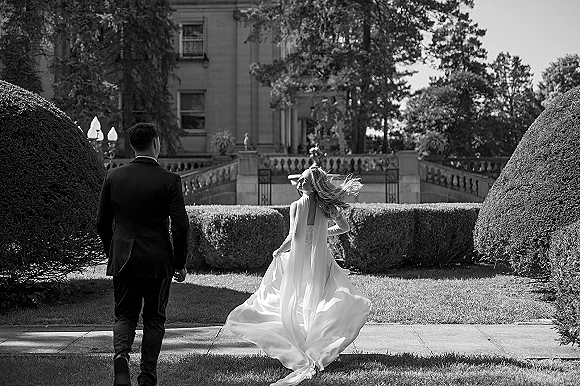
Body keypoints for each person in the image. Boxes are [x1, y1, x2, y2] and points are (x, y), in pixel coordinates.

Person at [226, 165, 371, 386]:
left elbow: (294, 236)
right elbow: (344, 227)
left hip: (301, 259)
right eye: (301, 180)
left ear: (314, 186)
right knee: (319, 298)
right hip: (320, 258)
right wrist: (321, 235)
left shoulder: (297, 205)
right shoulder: (327, 206)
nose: (300, 183)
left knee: (294, 297)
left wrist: (279, 251)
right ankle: (318, 342)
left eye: (305, 181)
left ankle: (304, 341)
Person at [96, 123, 189, 386]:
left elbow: (102, 222)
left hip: (123, 257)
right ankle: (147, 376)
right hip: (158, 259)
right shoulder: (169, 180)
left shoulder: (114, 177)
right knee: (154, 318)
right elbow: (181, 225)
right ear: (156, 143)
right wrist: (180, 262)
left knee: (124, 314)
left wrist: (111, 251)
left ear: (133, 146)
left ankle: (121, 356)